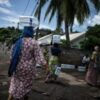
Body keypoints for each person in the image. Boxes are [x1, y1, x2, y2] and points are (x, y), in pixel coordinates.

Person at [8, 26, 48, 100]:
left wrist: (12, 66)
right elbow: (40, 59)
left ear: (24, 31)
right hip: (28, 70)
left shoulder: (17, 42)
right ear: (31, 32)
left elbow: (11, 56)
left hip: (17, 68)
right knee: (26, 87)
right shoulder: (34, 43)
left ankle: (12, 96)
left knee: (14, 84)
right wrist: (46, 67)